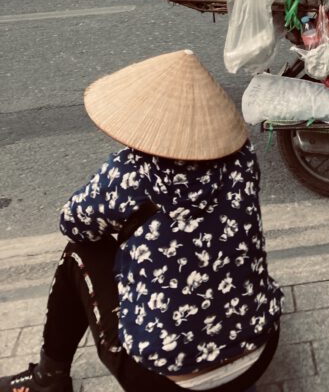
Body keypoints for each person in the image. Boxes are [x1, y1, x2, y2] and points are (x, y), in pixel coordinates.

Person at [1, 49, 282, 392]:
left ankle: (48, 378)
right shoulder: (242, 158)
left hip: (163, 382)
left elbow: (73, 223)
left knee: (79, 252)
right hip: (259, 353)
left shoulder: (130, 174)